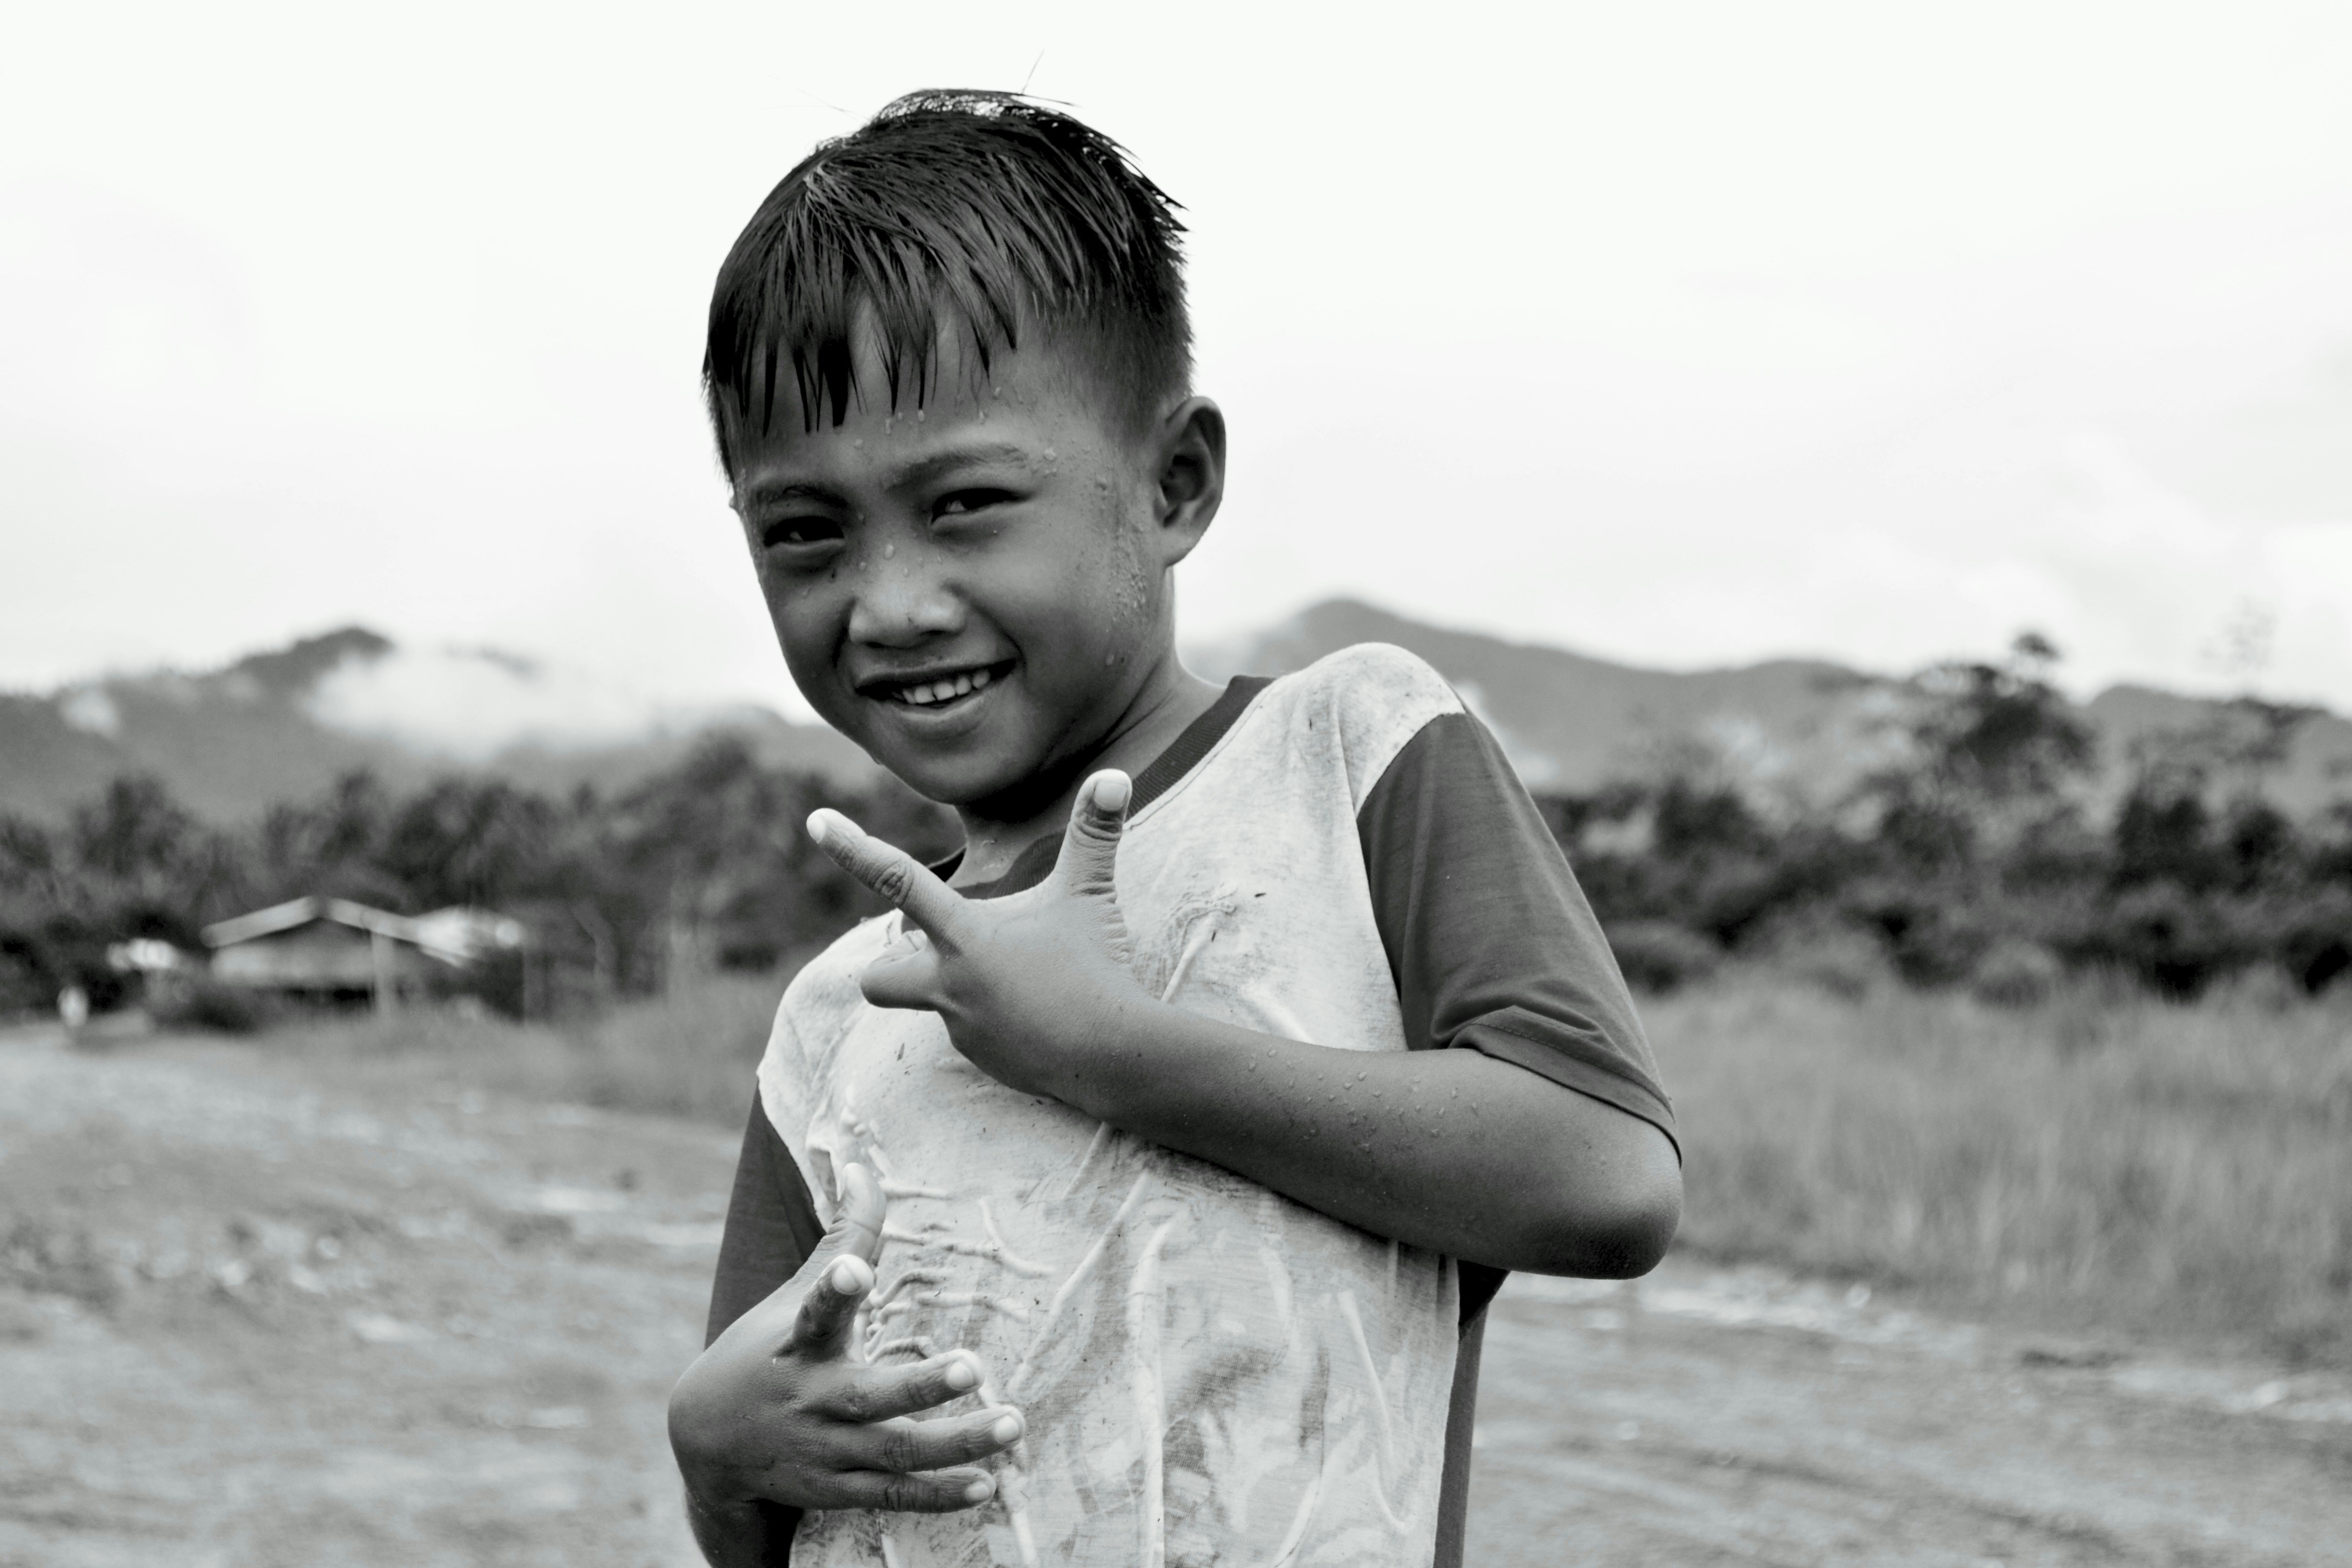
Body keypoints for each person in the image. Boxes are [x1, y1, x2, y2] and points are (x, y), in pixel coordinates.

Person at [667, 90, 1681, 1568]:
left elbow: (1605, 1179)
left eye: (966, 504)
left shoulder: (1345, 758)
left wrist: (1109, 1049)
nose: (888, 602)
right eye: (803, 531)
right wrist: (715, 1449)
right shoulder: (838, 1016)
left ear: (1175, 482)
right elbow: (777, 1508)